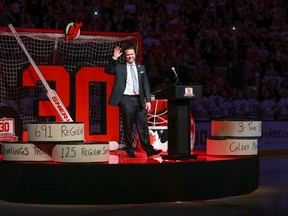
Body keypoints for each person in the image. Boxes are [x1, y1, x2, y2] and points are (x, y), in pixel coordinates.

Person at [104, 46, 162, 158]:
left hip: (139, 100)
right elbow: (107, 70)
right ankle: (130, 150)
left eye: (132, 54)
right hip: (126, 100)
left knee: (143, 126)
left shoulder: (141, 67)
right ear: (125, 56)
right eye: (127, 54)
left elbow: (145, 84)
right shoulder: (120, 67)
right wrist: (114, 58)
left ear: (135, 55)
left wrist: (148, 100)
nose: (130, 56)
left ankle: (149, 150)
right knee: (128, 126)